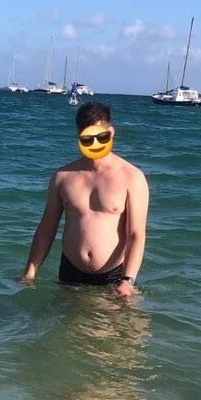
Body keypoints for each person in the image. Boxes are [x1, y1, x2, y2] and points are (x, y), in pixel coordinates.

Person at [20, 101, 149, 296]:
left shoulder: (132, 177)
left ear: (111, 133)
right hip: (70, 273)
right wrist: (29, 273)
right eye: (87, 138)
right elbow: (46, 229)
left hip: (114, 278)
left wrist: (127, 281)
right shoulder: (63, 177)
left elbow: (135, 235)